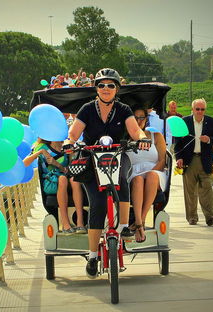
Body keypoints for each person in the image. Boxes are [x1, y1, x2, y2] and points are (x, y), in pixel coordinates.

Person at [66, 68, 149, 278]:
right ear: (96, 88)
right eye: (101, 85)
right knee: (98, 203)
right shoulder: (87, 109)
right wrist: (70, 142)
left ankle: (123, 225)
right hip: (92, 159)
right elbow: (74, 133)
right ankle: (93, 256)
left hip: (118, 156)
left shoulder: (123, 109)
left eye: (110, 85)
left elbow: (134, 130)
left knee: (122, 179)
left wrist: (142, 138)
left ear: (116, 89)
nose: (106, 89)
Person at [174, 98, 213, 226]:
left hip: (205, 159)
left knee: (207, 188)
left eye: (202, 109)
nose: (200, 111)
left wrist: (209, 139)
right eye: (197, 109)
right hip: (189, 160)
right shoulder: (185, 121)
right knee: (190, 191)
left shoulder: (211, 122)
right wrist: (178, 157)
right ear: (192, 109)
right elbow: (177, 143)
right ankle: (192, 217)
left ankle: (210, 217)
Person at [23, 139, 86, 234]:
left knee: (74, 180)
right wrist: (40, 152)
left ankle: (80, 223)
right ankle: (65, 224)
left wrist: (56, 163)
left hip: (66, 175)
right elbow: (24, 163)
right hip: (52, 180)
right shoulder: (41, 147)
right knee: (62, 179)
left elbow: (67, 170)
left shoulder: (67, 147)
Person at [127, 107, 167, 242]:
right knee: (138, 180)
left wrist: (153, 171)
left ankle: (141, 220)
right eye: (135, 118)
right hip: (134, 173)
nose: (138, 121)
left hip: (154, 172)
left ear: (146, 119)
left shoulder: (156, 136)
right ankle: (139, 221)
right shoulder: (124, 139)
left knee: (151, 175)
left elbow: (162, 160)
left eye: (141, 118)